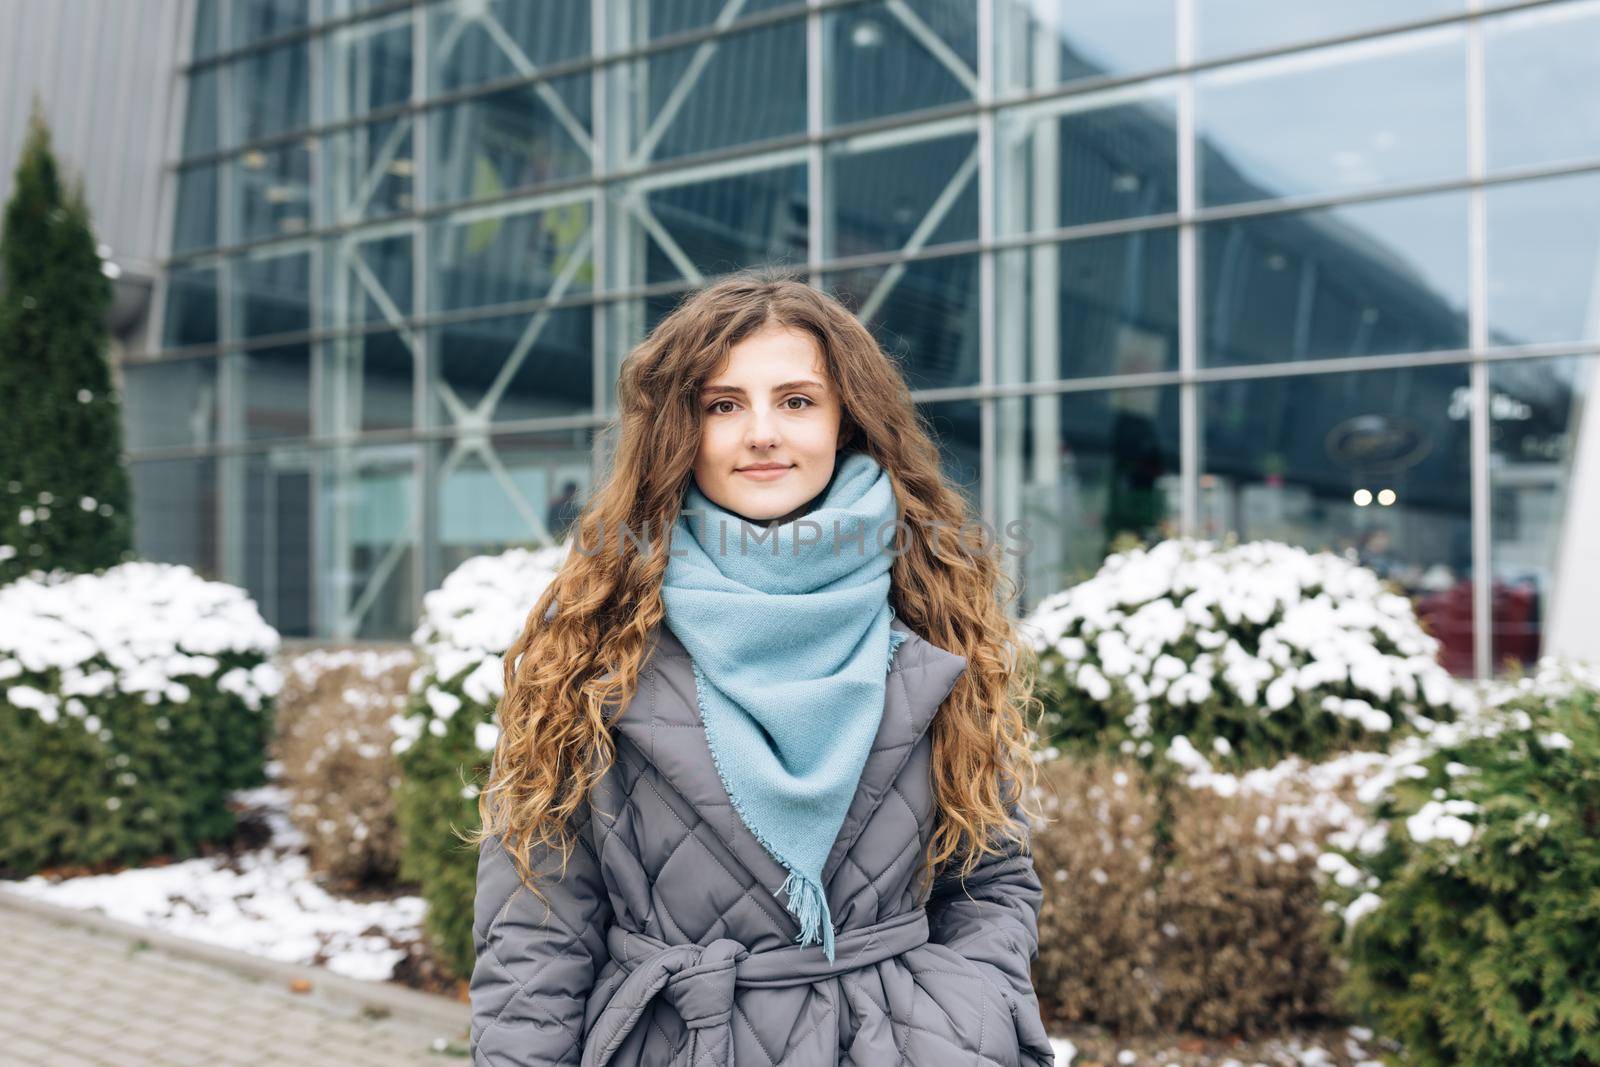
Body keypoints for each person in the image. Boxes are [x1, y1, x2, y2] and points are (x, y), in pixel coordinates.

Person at [466, 268, 1055, 1066]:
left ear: (846, 420)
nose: (762, 433)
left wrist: (965, 1012)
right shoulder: (596, 633)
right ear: (681, 429)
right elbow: (535, 926)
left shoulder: (933, 606)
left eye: (797, 400)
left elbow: (990, 878)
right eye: (723, 405)